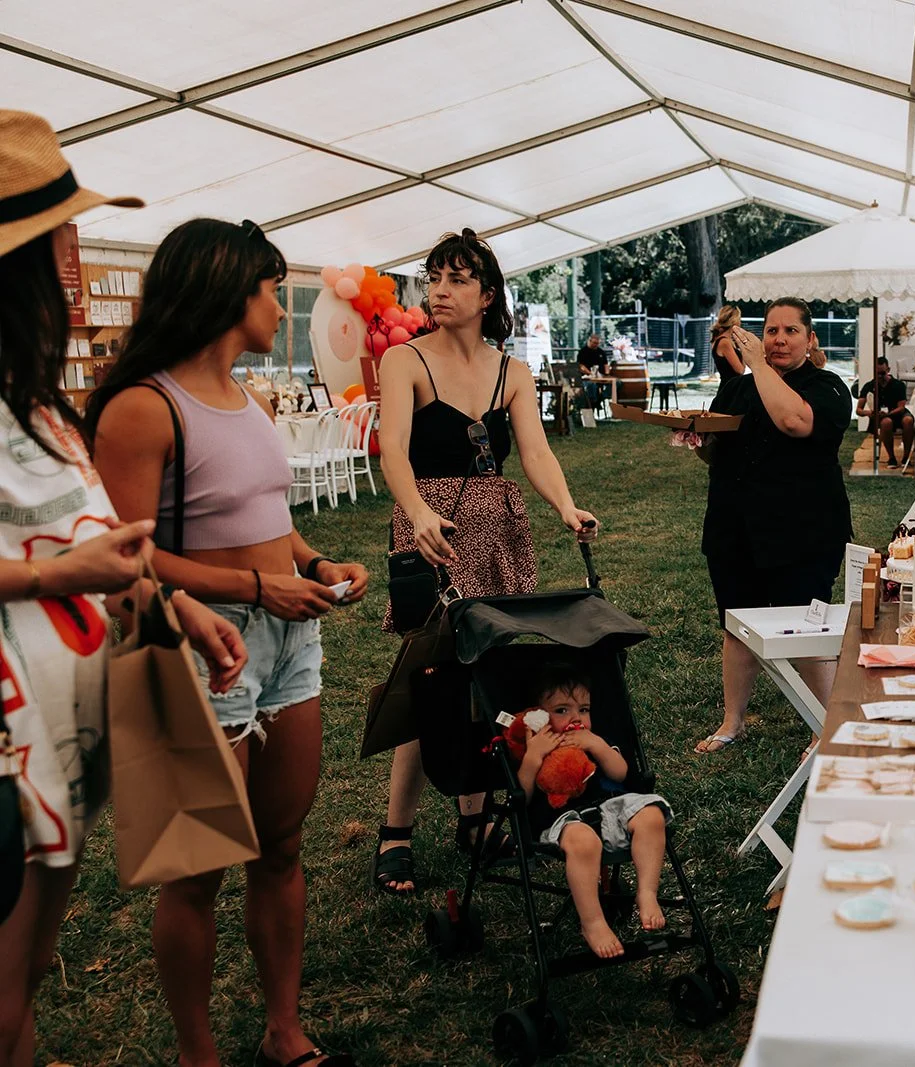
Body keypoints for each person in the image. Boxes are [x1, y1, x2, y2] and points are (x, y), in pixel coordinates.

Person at [89, 217, 371, 1067]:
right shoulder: (144, 406)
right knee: (200, 866)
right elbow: (126, 553)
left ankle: (283, 1029)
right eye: (265, 285)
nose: (276, 301)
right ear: (223, 288)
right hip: (204, 646)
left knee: (282, 848)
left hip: (288, 640)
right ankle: (197, 1051)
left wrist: (315, 561)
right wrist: (255, 587)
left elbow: (266, 519)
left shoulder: (245, 394)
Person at [0, 109, 247, 1067]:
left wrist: (174, 600)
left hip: (59, 748)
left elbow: (100, 532)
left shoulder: (39, 401)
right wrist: (66, 576)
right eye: (61, 232)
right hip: (9, 758)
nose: (78, 250)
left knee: (19, 988)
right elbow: (67, 554)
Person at [373, 229, 599, 896]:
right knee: (429, 680)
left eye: (456, 278)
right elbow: (392, 451)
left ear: (487, 293)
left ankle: (474, 821)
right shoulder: (404, 361)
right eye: (433, 277)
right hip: (433, 534)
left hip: (495, 532)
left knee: (486, 686)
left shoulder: (513, 372)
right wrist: (416, 512)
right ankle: (396, 833)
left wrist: (564, 505)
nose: (439, 290)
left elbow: (534, 453)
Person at [695, 298, 853, 754]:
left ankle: (825, 726)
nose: (778, 339)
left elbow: (794, 421)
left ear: (810, 339)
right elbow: (714, 449)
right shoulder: (737, 389)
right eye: (770, 331)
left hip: (802, 530)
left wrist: (759, 366)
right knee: (736, 623)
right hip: (734, 526)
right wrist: (695, 437)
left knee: (807, 626)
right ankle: (733, 721)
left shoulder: (827, 387)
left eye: (790, 331)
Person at [514, 665, 671, 959]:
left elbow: (621, 772)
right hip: (563, 819)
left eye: (583, 709)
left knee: (651, 814)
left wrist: (596, 745)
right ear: (539, 716)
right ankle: (593, 922)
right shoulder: (534, 748)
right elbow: (521, 796)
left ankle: (647, 892)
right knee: (585, 844)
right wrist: (534, 756)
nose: (576, 718)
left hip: (609, 807)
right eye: (562, 710)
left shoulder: (596, 739)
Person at [855, 355, 915, 468]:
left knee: (908, 420)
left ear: (888, 370)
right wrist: (870, 413)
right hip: (881, 416)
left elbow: (901, 407)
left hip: (897, 412)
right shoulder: (869, 386)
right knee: (886, 422)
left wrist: (889, 413)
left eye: (882, 373)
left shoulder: (898, 385)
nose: (879, 376)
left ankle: (906, 457)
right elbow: (858, 410)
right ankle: (891, 457)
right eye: (877, 373)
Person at [708, 304, 747, 386]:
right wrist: (743, 350)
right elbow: (740, 370)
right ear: (734, 321)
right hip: (729, 388)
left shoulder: (724, 340)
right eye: (739, 319)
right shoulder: (724, 342)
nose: (740, 322)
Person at [577, 333, 609, 410]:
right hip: (587, 377)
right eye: (594, 343)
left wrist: (607, 374)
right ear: (589, 341)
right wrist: (590, 373)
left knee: (617, 383)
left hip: (601, 377)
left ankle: (600, 398)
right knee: (591, 385)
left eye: (597, 343)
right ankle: (593, 402)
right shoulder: (583, 352)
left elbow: (606, 364)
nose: (596, 345)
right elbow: (581, 366)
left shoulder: (601, 352)